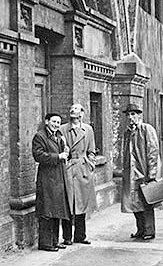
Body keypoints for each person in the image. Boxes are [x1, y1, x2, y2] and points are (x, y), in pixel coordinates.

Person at [121, 103, 163, 241]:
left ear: (139, 115)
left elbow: (153, 151)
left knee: (147, 201)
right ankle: (140, 229)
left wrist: (152, 174)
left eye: (133, 114)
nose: (130, 117)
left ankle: (149, 230)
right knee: (134, 202)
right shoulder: (127, 132)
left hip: (143, 171)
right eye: (128, 115)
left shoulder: (146, 129)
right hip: (131, 172)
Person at [32, 112, 71, 252]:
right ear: (47, 121)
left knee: (57, 210)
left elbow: (65, 155)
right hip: (47, 178)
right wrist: (58, 156)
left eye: (58, 123)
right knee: (47, 211)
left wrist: (67, 151)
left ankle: (55, 241)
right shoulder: (40, 136)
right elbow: (38, 155)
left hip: (59, 177)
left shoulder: (59, 136)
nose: (56, 125)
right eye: (54, 122)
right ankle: (46, 243)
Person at [59, 103, 97, 245]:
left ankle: (80, 236)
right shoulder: (63, 129)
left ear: (82, 113)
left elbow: (91, 150)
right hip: (68, 169)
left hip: (82, 169)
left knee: (81, 204)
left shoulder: (88, 129)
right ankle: (67, 237)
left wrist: (90, 164)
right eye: (71, 109)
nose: (72, 111)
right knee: (68, 203)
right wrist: (66, 162)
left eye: (76, 109)